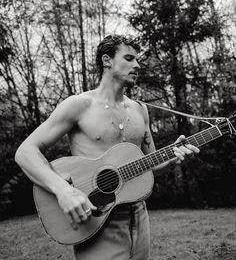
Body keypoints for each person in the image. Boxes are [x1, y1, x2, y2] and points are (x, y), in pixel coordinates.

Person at [15, 34, 200, 260]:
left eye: (137, 60)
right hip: (95, 219)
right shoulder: (79, 105)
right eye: (129, 58)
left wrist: (172, 160)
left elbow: (149, 165)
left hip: (139, 216)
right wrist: (64, 190)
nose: (138, 65)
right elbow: (26, 152)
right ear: (107, 60)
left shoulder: (140, 110)